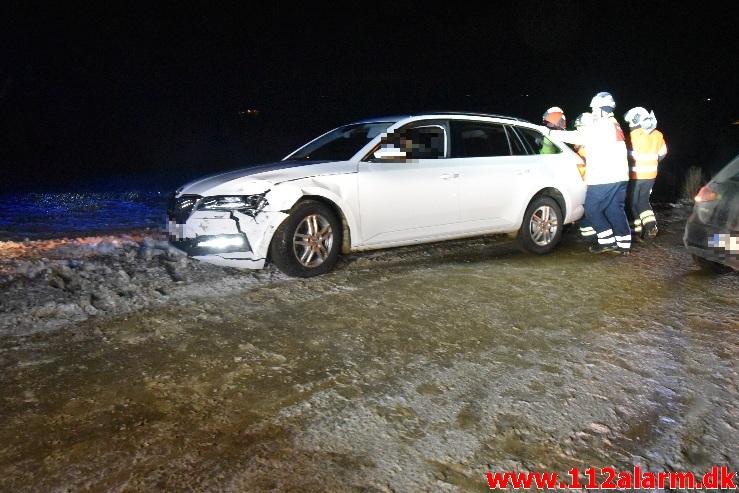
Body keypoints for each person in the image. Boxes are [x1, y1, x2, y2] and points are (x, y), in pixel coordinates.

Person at [544, 92, 631, 255]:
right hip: (620, 177)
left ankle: (608, 242)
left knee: (592, 209)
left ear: (602, 109)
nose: (593, 112)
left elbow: (579, 136)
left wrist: (550, 133)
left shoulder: (602, 125)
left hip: (604, 177)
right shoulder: (614, 125)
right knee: (614, 210)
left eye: (594, 109)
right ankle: (623, 244)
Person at [623, 107, 668, 240]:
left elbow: (627, 157)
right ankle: (651, 226)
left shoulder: (631, 137)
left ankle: (636, 231)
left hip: (635, 176)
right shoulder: (658, 134)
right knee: (643, 201)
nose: (630, 125)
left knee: (631, 202)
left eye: (631, 122)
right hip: (651, 176)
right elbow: (663, 154)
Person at [572, 112, 596, 242]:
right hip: (587, 180)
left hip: (592, 181)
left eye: (580, 126)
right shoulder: (586, 139)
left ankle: (590, 236)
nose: (577, 129)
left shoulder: (592, 141)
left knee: (591, 209)